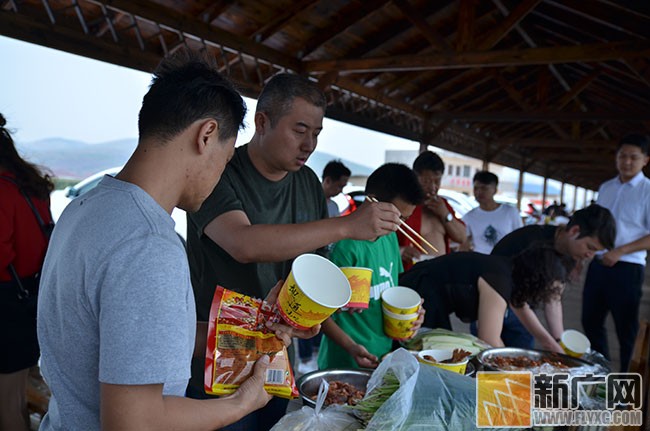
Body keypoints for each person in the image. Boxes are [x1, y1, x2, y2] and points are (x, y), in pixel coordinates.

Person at [36, 51, 289, 430]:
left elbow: (132, 337)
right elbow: (134, 423)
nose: (219, 176)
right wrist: (244, 402)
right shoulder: (148, 244)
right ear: (206, 136)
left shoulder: (85, 209)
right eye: (224, 161)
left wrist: (251, 337)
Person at [185, 73, 401, 429]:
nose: (310, 145)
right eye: (300, 130)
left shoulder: (306, 182)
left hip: (274, 360)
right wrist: (347, 225)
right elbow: (244, 243)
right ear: (262, 121)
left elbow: (312, 271)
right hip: (216, 359)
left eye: (316, 133)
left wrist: (317, 321)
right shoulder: (221, 172)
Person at [318, 163, 426, 370]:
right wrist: (350, 347)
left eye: (405, 219)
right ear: (372, 202)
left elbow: (391, 291)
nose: (399, 225)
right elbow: (320, 314)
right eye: (396, 217)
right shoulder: (346, 244)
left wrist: (412, 315)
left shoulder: (390, 237)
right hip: (343, 360)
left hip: (383, 354)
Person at [490, 204, 616, 351]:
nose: (590, 255)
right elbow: (518, 302)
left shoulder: (567, 251)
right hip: (492, 300)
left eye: (596, 252)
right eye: (590, 247)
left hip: (521, 309)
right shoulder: (536, 246)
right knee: (492, 359)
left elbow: (553, 297)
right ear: (574, 231)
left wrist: (560, 341)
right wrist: (549, 342)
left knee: (521, 364)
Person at [399, 246, 570, 349]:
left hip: (429, 292)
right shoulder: (499, 280)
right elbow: (489, 340)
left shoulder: (509, 270)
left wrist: (552, 344)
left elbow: (522, 308)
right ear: (536, 282)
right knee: (427, 351)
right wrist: (513, 372)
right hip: (420, 290)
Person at [0, 114, 54, 431]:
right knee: (14, 399)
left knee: (7, 405)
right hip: (29, 301)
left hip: (6, 305)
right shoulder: (28, 185)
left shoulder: (2, 190)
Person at [582, 133, 650, 371]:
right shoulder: (606, 188)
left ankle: (627, 386)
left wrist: (620, 251)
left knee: (626, 330)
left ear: (645, 160)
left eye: (634, 157)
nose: (627, 162)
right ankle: (603, 375)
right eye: (622, 156)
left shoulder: (647, 191)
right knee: (590, 322)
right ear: (616, 158)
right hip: (599, 263)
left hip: (628, 267)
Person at [398, 151, 466, 270]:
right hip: (411, 274)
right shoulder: (403, 204)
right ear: (415, 177)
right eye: (426, 181)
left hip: (441, 274)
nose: (432, 187)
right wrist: (401, 251)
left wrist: (445, 214)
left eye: (437, 181)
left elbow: (462, 237)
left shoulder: (442, 205)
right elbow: (381, 241)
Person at [460, 171, 522, 254]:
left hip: (505, 261)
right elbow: (464, 243)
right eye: (476, 188)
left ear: (495, 190)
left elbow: (520, 239)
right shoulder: (469, 217)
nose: (479, 192)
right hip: (481, 262)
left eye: (484, 188)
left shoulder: (511, 212)